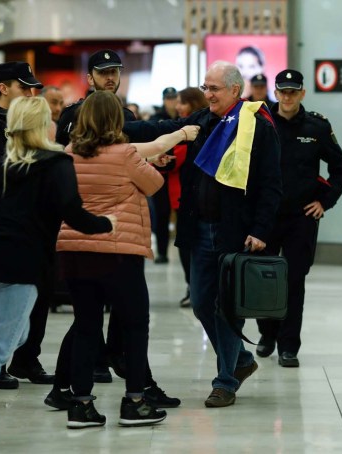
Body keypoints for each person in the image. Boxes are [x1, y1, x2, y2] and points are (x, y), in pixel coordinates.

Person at [0, 96, 114, 449]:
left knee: (17, 332)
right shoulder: (57, 163)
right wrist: (108, 223)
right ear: (45, 126)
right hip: (20, 265)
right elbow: (73, 213)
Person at [124, 60, 282, 407]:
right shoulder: (203, 120)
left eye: (214, 89)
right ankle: (240, 359)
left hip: (234, 231)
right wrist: (122, 124)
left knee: (225, 308)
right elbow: (164, 126)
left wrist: (260, 230)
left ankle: (225, 381)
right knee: (200, 303)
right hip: (200, 229)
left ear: (235, 91)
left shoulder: (257, 125)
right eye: (205, 87)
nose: (207, 94)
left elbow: (271, 184)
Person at [54, 90, 198, 428]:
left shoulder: (69, 152)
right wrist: (144, 165)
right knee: (134, 324)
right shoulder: (126, 153)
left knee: (87, 327)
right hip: (118, 252)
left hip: (74, 252)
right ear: (116, 120)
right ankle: (134, 401)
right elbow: (154, 185)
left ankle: (81, 405)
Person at [255, 69, 342, 367]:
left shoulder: (317, 127)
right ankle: (267, 333)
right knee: (264, 279)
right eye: (282, 91)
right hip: (266, 216)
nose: (287, 96)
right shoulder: (260, 123)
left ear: (302, 94)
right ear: (275, 92)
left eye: (293, 91)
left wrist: (325, 202)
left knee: (295, 280)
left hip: (301, 218)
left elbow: (341, 168)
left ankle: (288, 345)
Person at [0, 61, 52, 389]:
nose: (30, 93)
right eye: (23, 87)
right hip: (2, 223)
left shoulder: (26, 123)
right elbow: (3, 170)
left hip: (33, 222)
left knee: (39, 292)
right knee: (4, 296)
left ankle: (27, 357)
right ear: (4, 88)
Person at [172, 87, 208, 307]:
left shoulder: (195, 129)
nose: (178, 107)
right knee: (186, 244)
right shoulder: (181, 127)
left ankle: (196, 288)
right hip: (178, 192)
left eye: (182, 103)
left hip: (187, 193)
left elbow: (179, 157)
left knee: (191, 245)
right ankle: (192, 286)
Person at [56, 49, 136, 147]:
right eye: (103, 72)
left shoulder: (127, 116)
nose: (110, 77)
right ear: (90, 79)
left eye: (114, 72)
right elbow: (61, 151)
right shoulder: (73, 113)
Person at [148, 87, 180, 264]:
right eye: (168, 98)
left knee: (180, 211)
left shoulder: (182, 117)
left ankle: (182, 248)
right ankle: (162, 252)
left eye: (173, 98)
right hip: (159, 172)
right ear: (163, 99)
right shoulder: (156, 119)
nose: (171, 101)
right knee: (161, 213)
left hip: (178, 171)